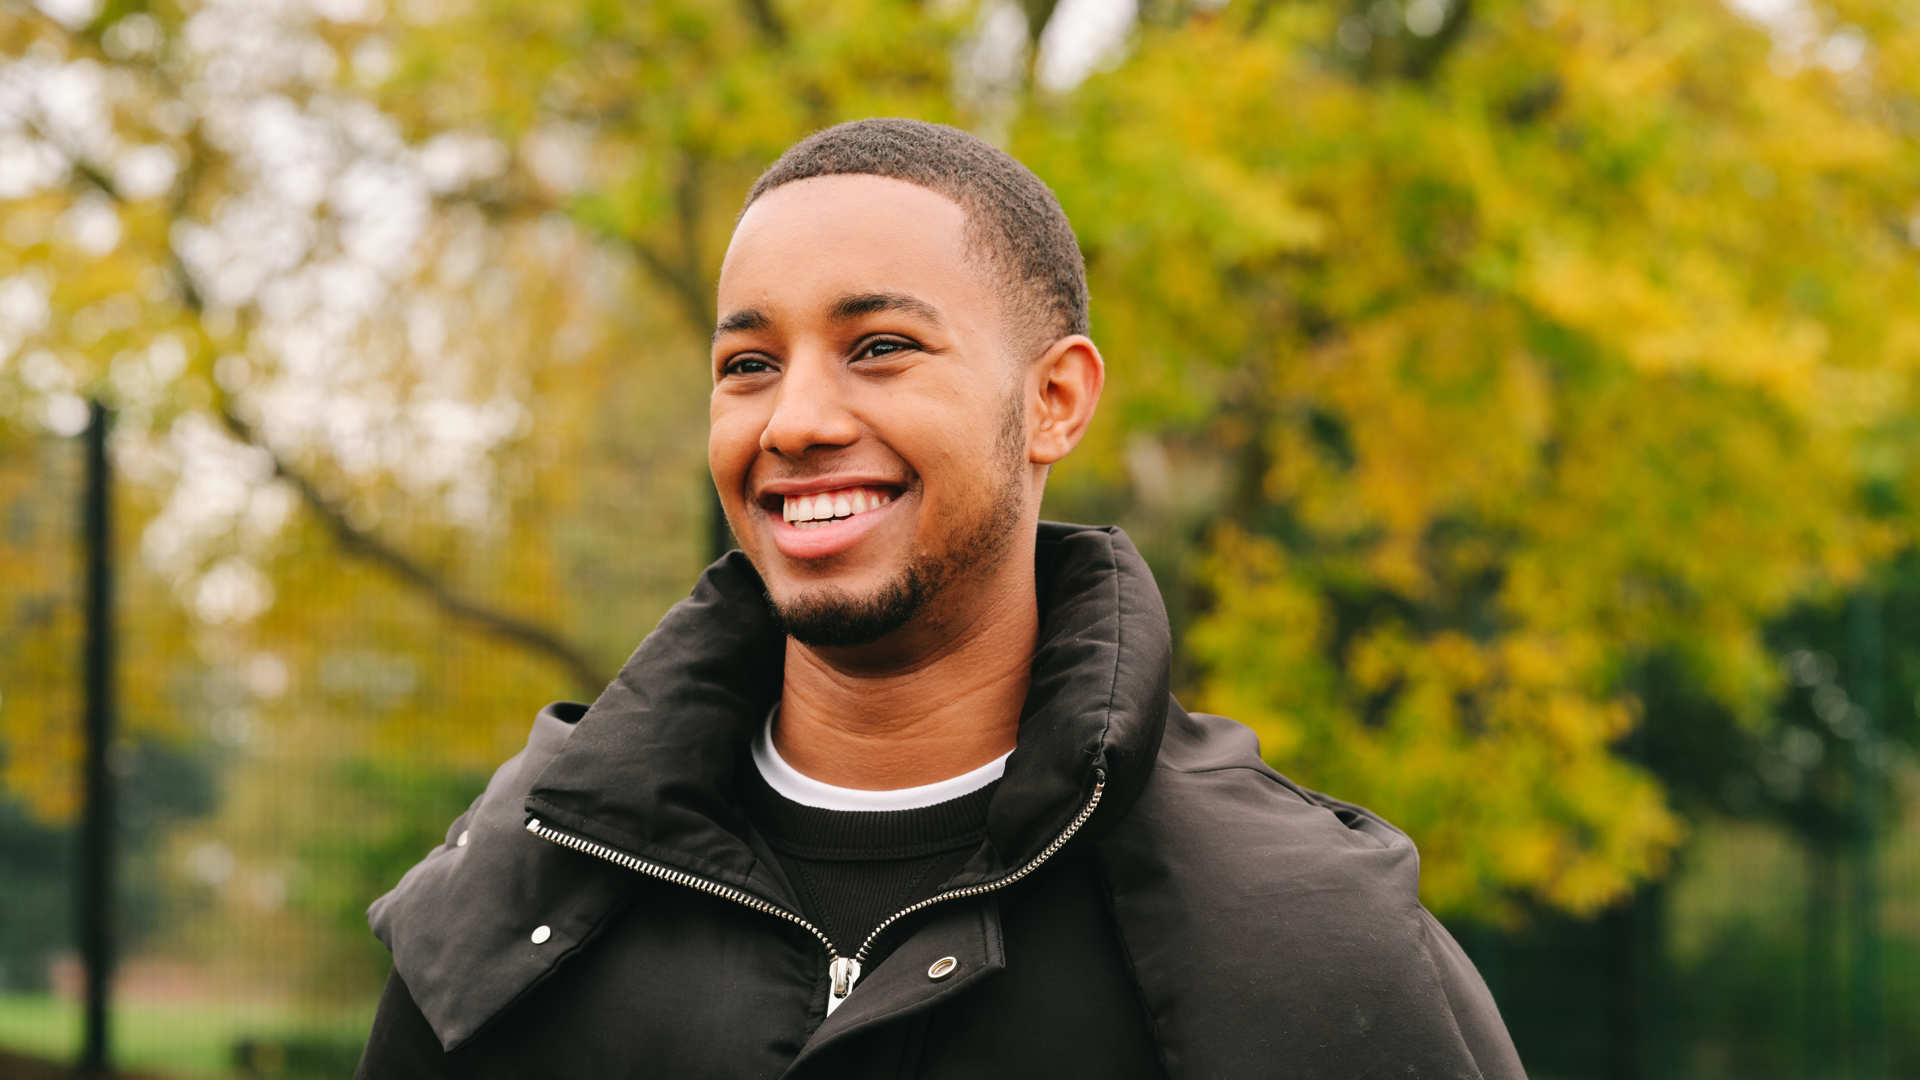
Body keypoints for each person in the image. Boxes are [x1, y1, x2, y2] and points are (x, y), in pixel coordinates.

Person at [355, 117, 1526, 1079]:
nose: (797, 419)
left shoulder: (1306, 941)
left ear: (1056, 401)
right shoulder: (522, 899)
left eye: (879, 348)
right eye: (749, 365)